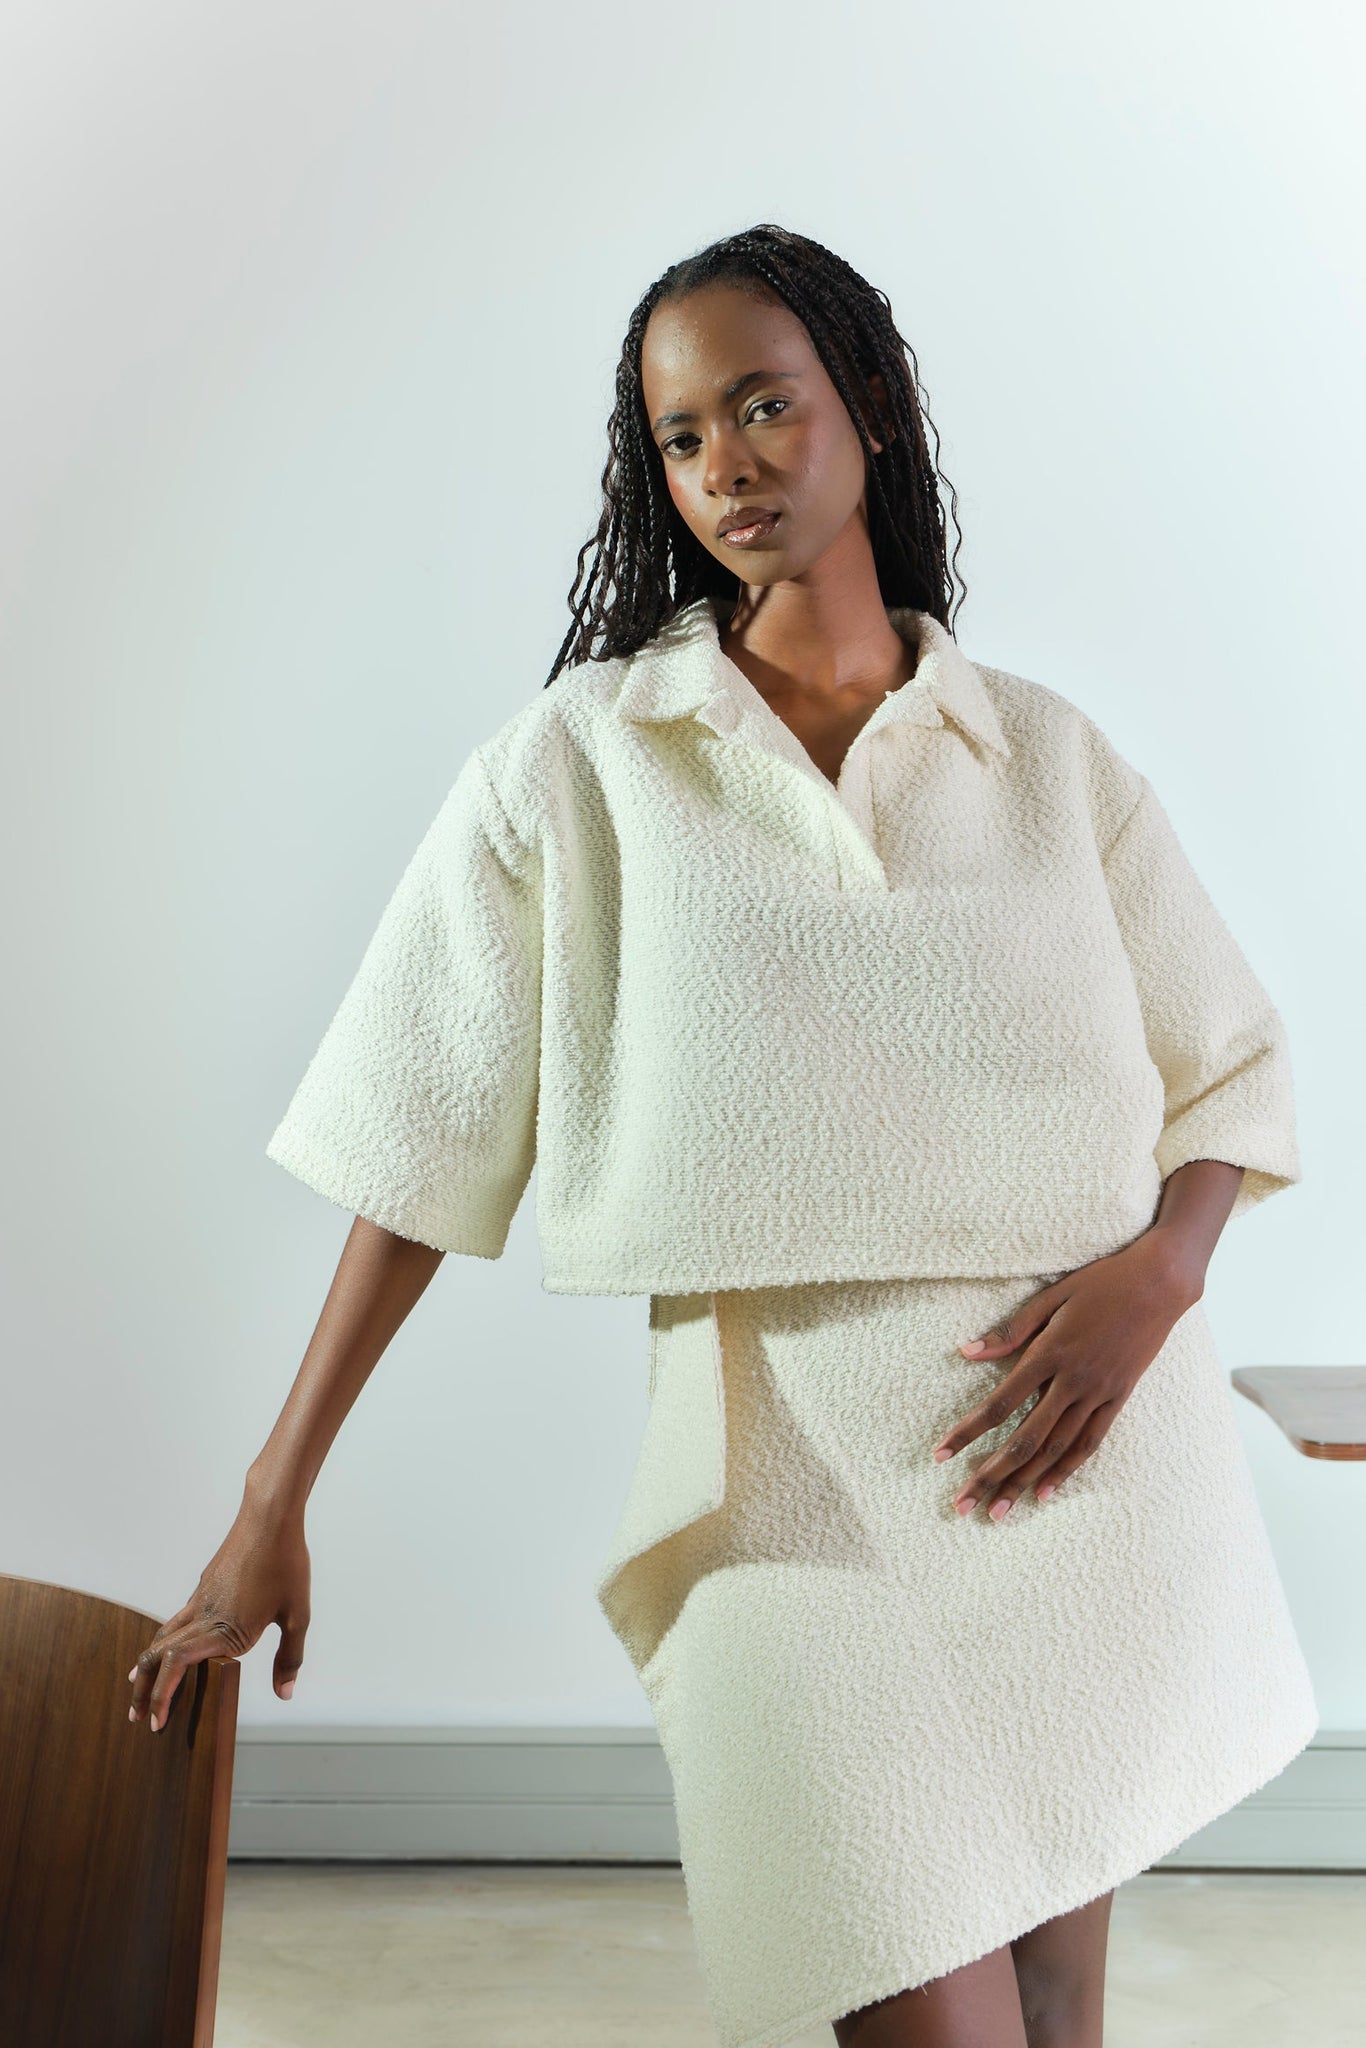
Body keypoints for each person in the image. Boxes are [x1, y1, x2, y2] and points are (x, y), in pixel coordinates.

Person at [127, 223, 1317, 2048]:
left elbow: (1223, 1065)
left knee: (1064, 2006)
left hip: (1078, 1455)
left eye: (765, 407)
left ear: (870, 409)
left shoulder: (1043, 756)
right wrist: (269, 1500)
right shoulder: (583, 764)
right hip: (774, 1488)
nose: (729, 466)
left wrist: (1160, 1280)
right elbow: (416, 1141)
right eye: (682, 438)